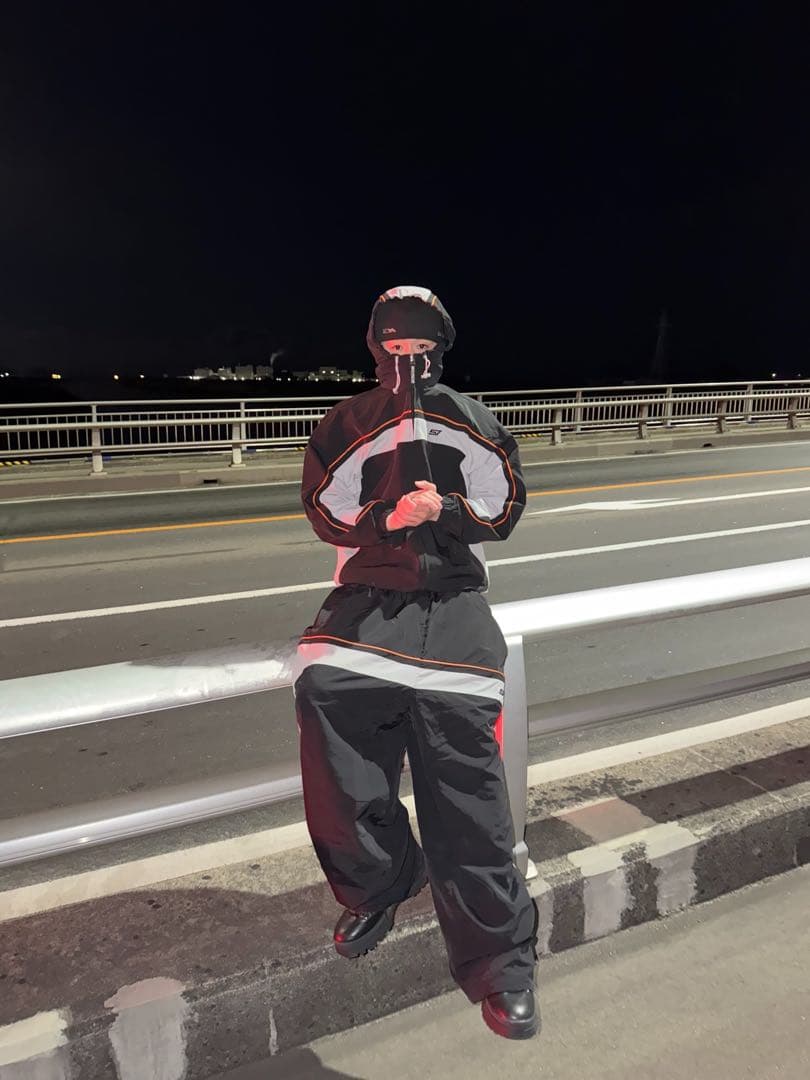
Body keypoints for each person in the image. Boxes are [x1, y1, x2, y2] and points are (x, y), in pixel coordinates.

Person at [293, 285, 539, 1040]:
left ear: (442, 346)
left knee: (467, 788)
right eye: (395, 347)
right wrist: (387, 519)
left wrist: (447, 512)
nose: (409, 359)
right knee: (326, 698)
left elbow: (506, 507)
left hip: (455, 603)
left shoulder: (474, 419)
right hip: (367, 598)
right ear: (376, 347)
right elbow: (323, 508)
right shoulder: (346, 422)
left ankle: (500, 963)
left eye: (422, 347)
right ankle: (381, 878)